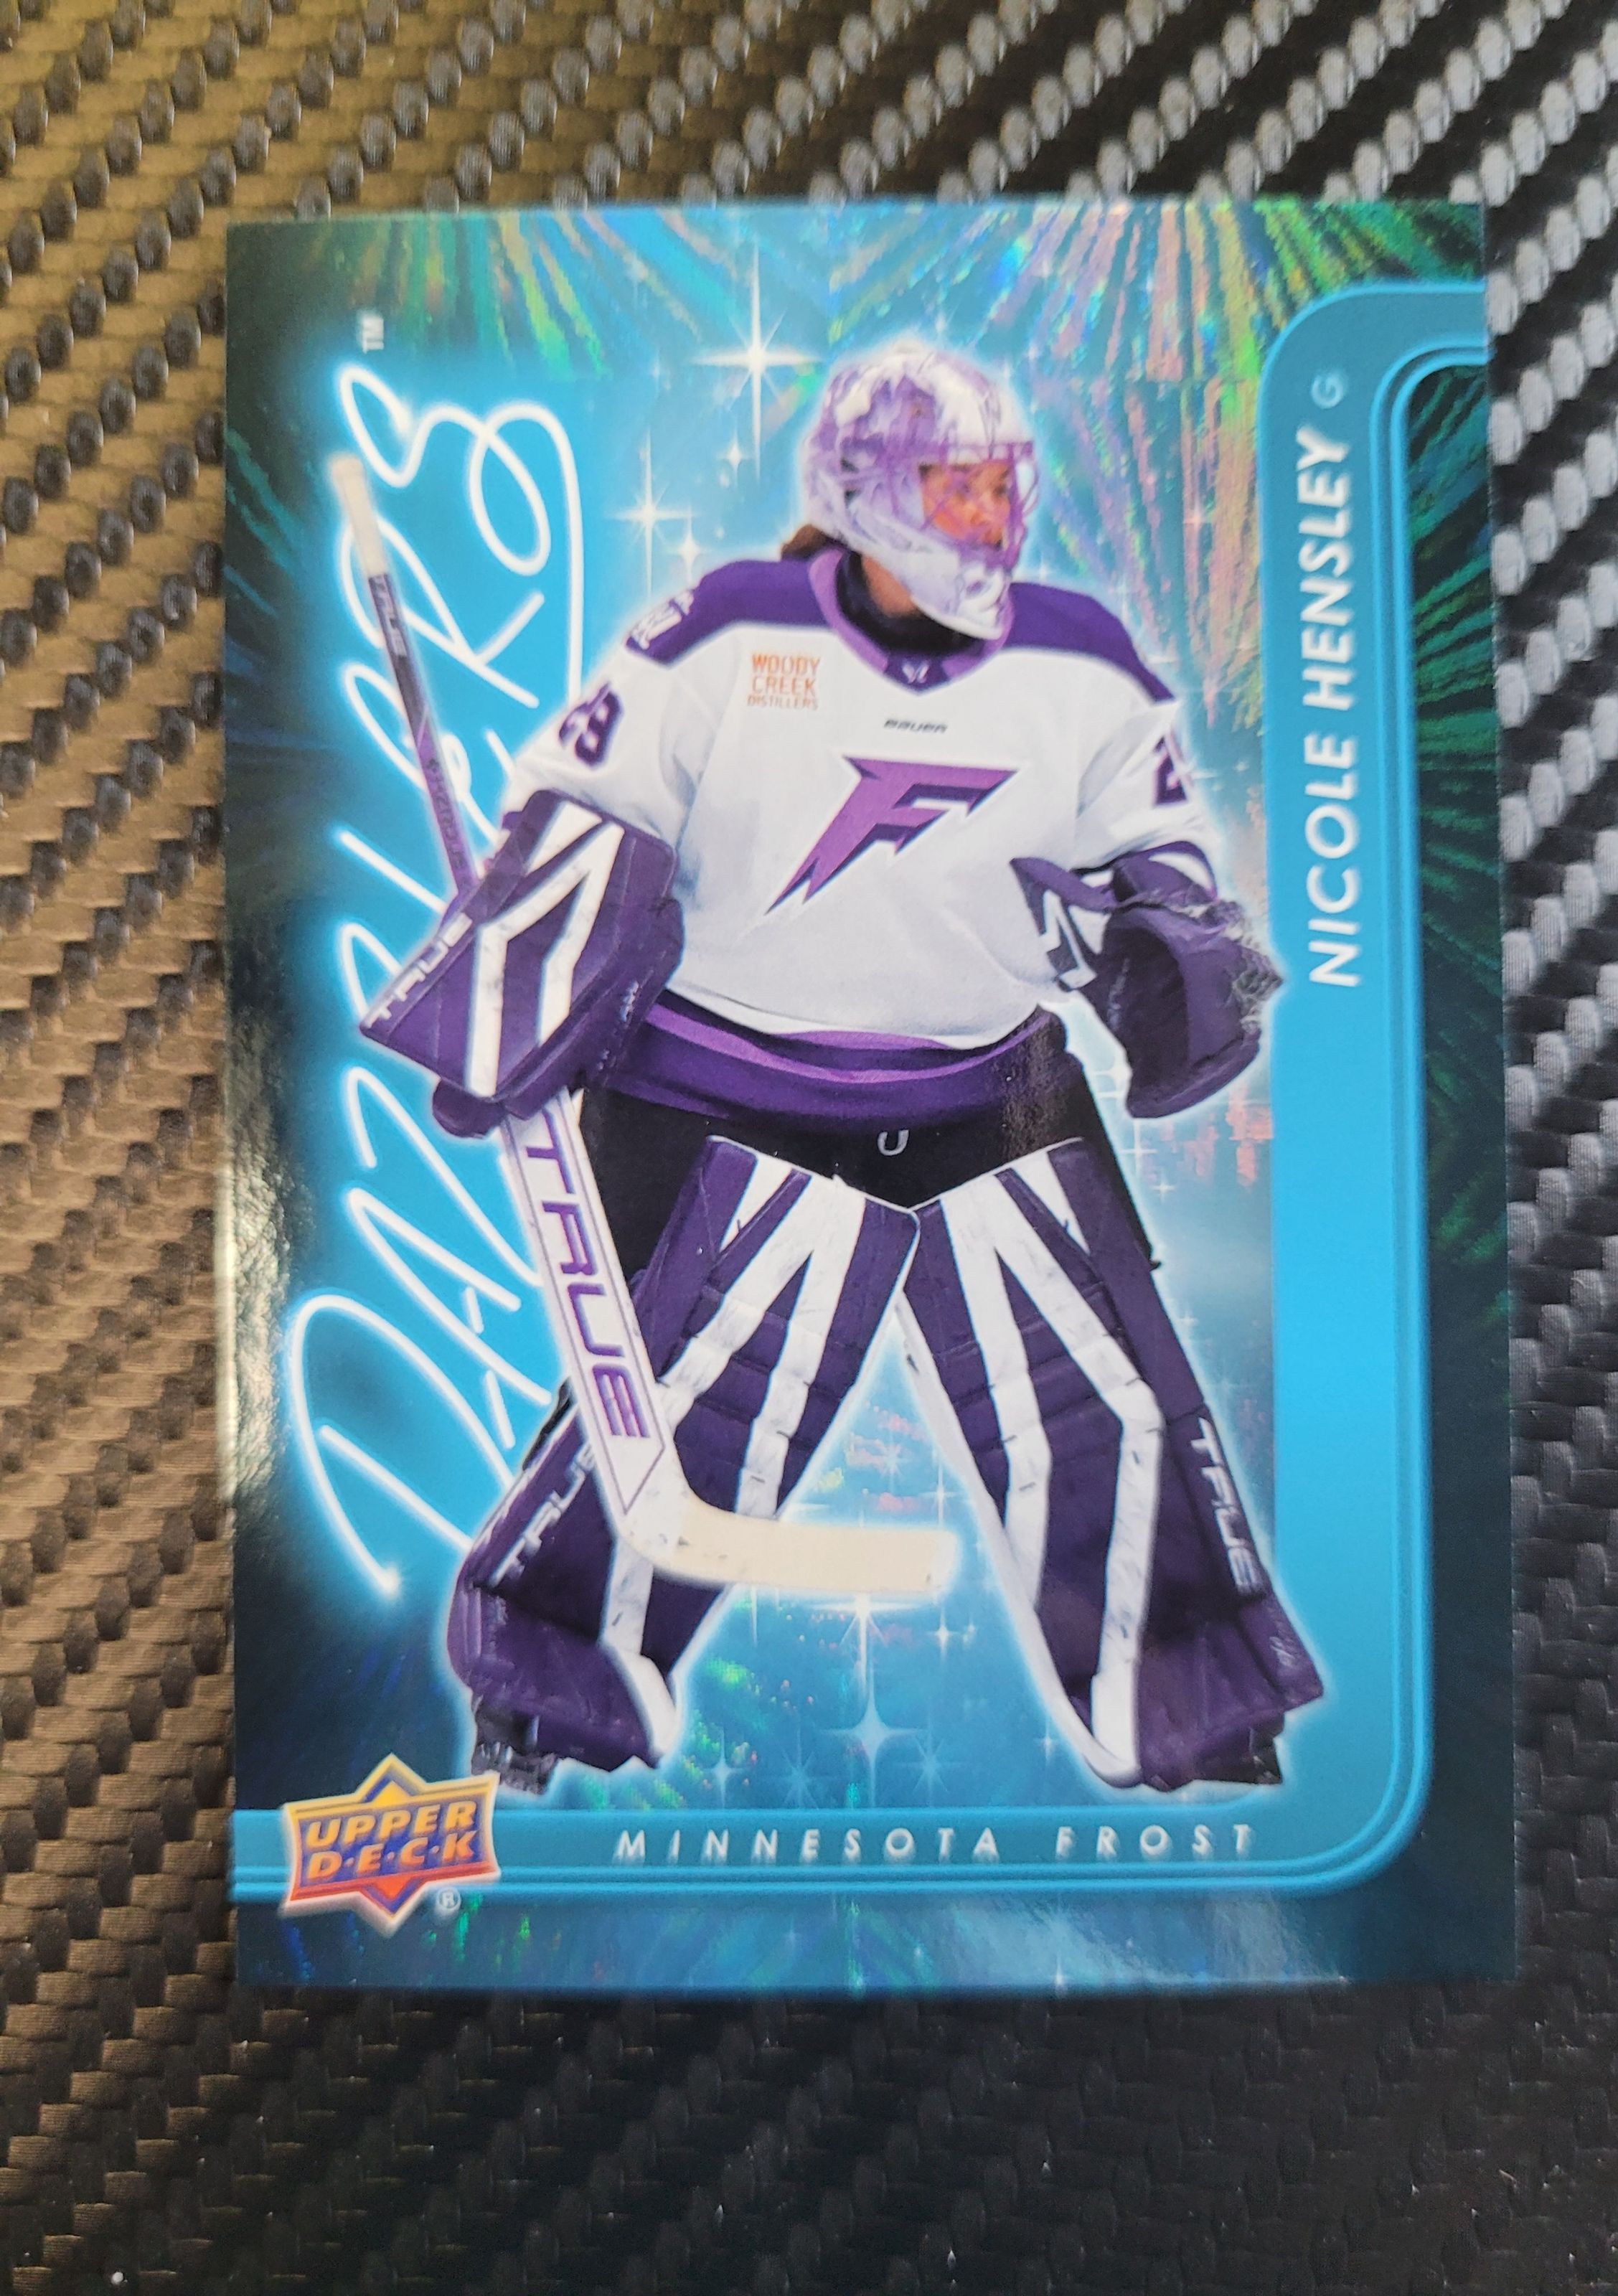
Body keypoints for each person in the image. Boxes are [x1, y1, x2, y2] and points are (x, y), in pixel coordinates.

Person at [364, 343, 1322, 1795]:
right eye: (955, 488)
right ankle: (552, 1687)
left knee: (1110, 1397)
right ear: (866, 491)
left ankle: (1192, 1702)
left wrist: (1169, 941)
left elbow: (1159, 846)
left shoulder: (1083, 661)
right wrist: (515, 992)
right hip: (721, 1090)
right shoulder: (720, 633)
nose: (991, 520)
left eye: (1001, 487)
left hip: (988, 1088)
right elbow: (588, 811)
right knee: (680, 1400)